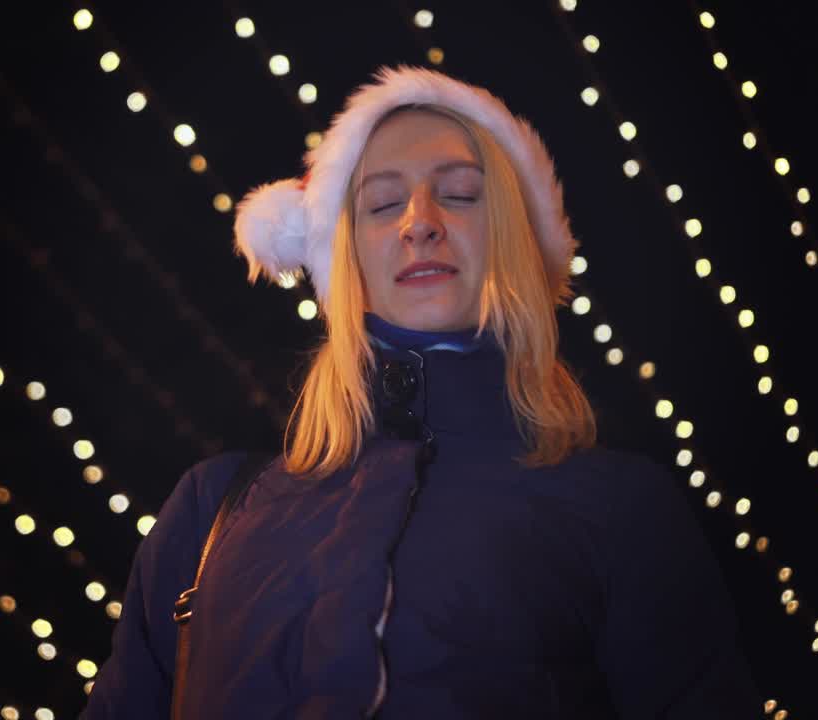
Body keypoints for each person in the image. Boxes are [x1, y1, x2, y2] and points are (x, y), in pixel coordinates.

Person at [81, 66, 761, 719]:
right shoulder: (212, 509)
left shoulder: (620, 509)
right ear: (343, 261)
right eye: (381, 204)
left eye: (462, 193)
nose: (419, 221)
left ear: (516, 241)